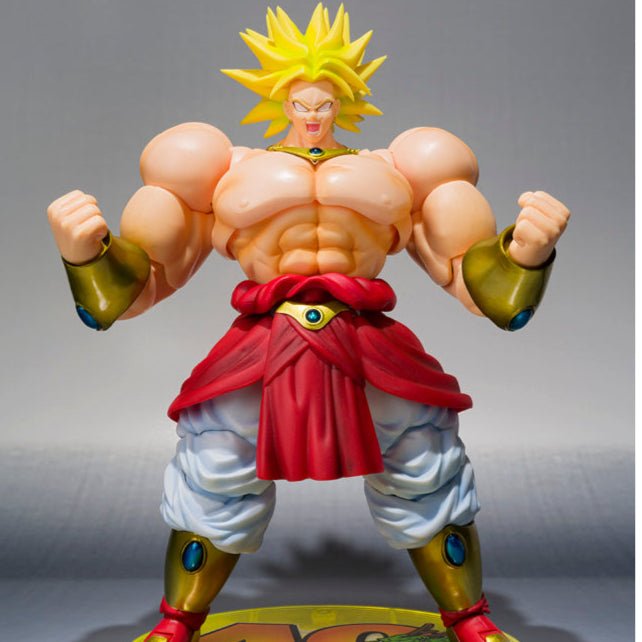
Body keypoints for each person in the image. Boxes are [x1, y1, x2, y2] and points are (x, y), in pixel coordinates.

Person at [47, 5, 569, 642]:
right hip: (263, 345)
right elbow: (143, 283)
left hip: (367, 340)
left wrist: (524, 255)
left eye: (326, 100)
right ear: (279, 99)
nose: (314, 112)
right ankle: (176, 622)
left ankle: (470, 619)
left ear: (347, 98)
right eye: (302, 100)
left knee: (426, 469)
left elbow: (473, 280)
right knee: (214, 472)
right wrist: (87, 255)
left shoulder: (405, 166)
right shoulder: (219, 166)